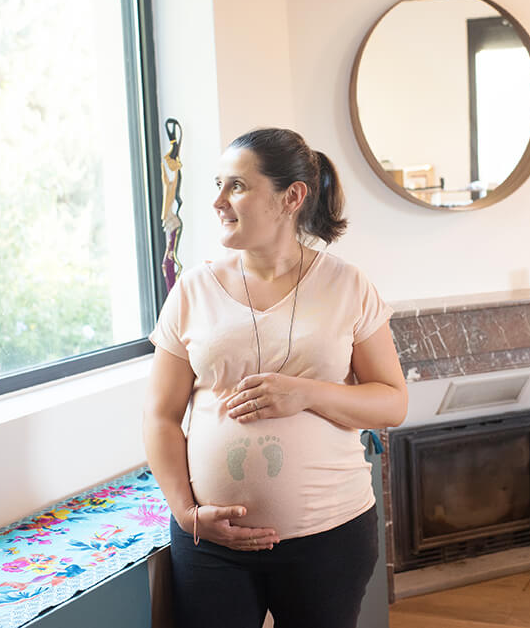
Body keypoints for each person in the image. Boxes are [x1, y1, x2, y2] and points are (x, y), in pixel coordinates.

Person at [143, 127, 408, 628]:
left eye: (237, 186)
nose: (218, 201)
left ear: (292, 197)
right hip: (210, 544)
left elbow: (393, 402)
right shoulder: (192, 291)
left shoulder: (348, 286)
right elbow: (159, 415)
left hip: (329, 536)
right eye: (218, 185)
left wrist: (304, 394)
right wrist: (185, 512)